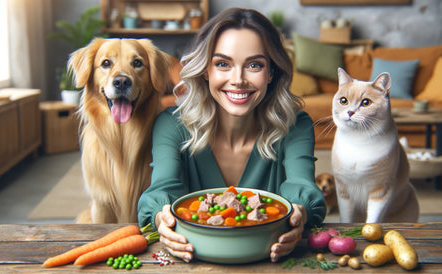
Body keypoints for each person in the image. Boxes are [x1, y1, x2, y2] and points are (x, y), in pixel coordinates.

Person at [138, 7, 326, 263]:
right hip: (193, 265)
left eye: (254, 65)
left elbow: (302, 188)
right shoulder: (171, 125)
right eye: (223, 64)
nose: (238, 80)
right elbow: (162, 190)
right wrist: (162, 219)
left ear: (271, 72)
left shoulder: (295, 125)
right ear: (206, 70)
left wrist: (299, 216)